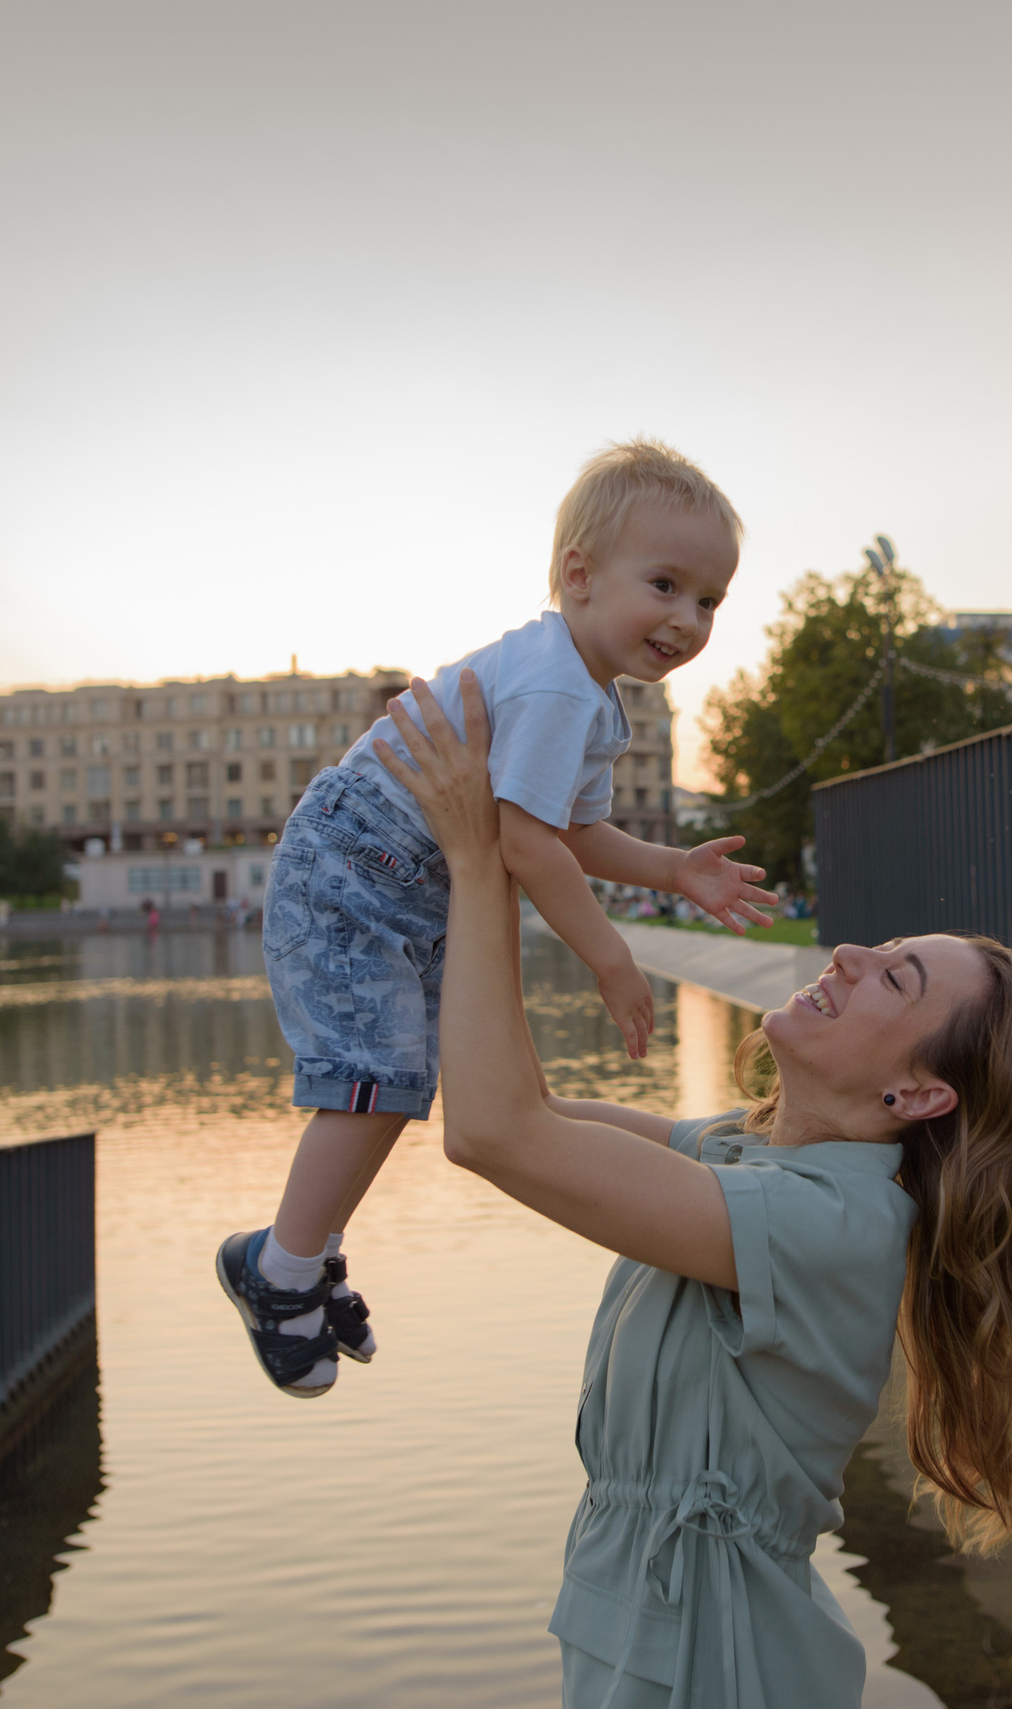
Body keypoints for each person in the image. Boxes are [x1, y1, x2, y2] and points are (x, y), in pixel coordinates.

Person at [377, 672, 1012, 1707]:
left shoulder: (834, 1219)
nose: (852, 953)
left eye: (893, 978)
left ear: (918, 1090)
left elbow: (496, 1134)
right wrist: (506, 854)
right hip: (649, 1626)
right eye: (884, 948)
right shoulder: (745, 1151)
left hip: (717, 1662)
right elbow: (523, 1106)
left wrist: (478, 856)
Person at [215, 441, 780, 1401]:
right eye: (666, 585)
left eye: (710, 601)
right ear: (579, 577)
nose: (687, 619)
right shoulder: (560, 686)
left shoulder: (586, 692)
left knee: (401, 1075)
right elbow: (523, 846)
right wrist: (609, 956)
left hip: (398, 873)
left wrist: (673, 871)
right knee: (374, 1077)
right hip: (356, 869)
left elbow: (572, 829)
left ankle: (303, 1254)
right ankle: (277, 1269)